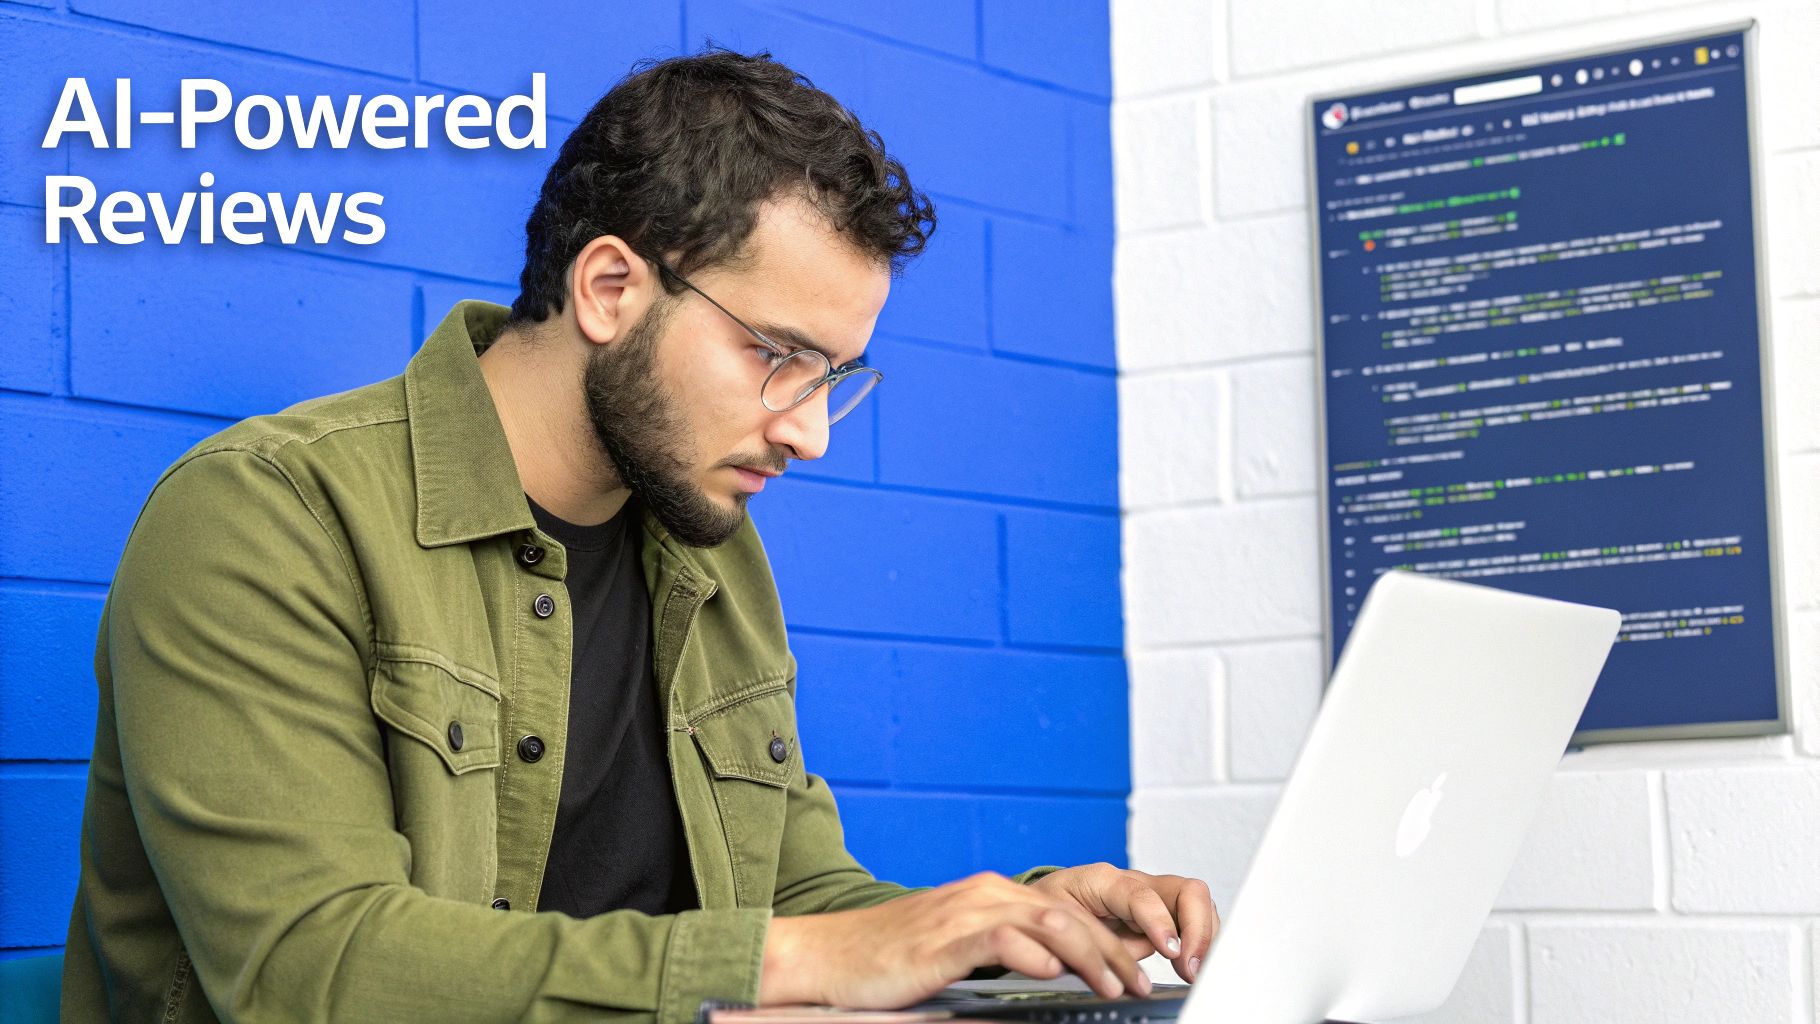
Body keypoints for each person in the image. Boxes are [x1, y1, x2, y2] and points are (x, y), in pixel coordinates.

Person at [61, 48, 1218, 1023]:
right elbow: (308, 967)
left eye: (835, 375)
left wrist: (1020, 929)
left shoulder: (706, 544)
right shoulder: (269, 515)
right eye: (777, 357)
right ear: (609, 288)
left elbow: (800, 887)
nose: (808, 432)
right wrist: (794, 962)